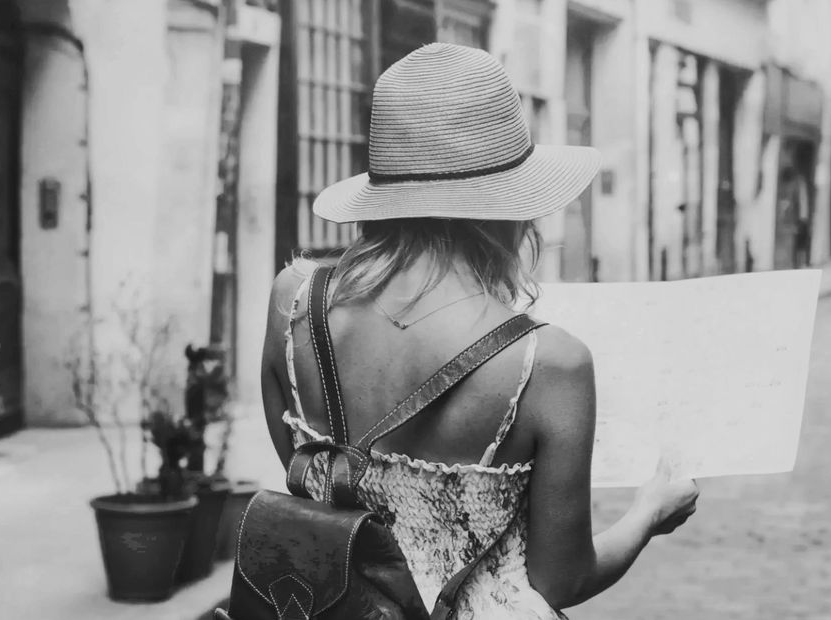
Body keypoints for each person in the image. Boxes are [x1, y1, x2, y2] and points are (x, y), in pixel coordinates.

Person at [259, 43, 699, 618]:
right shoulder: (549, 363)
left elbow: (312, 487)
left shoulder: (293, 298)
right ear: (509, 204)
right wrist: (648, 514)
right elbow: (561, 581)